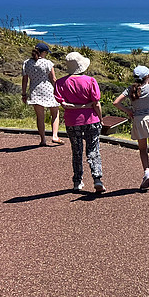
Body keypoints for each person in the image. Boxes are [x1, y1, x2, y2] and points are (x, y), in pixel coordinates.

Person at [54, 52, 105, 192]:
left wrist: (76, 107)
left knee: (76, 151)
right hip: (91, 119)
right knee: (93, 150)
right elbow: (96, 102)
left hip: (72, 121)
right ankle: (97, 179)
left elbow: (63, 105)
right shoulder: (90, 80)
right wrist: (100, 118)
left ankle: (77, 181)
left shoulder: (60, 83)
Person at [21, 42, 63, 146]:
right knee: (55, 113)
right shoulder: (48, 63)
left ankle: (43, 139)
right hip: (48, 90)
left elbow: (25, 80)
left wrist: (24, 94)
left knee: (40, 117)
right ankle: (55, 136)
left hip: (35, 91)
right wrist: (59, 91)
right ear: (43, 52)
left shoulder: (26, 63)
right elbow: (53, 79)